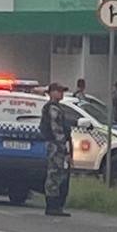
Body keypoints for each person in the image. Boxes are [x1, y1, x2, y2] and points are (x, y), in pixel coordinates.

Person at [40, 82, 72, 217]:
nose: (61, 94)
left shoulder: (56, 107)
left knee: (59, 173)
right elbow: (56, 129)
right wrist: (63, 147)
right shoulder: (52, 108)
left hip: (56, 144)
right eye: (58, 91)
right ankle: (52, 205)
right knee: (55, 174)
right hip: (55, 145)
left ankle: (56, 205)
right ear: (51, 92)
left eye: (62, 91)